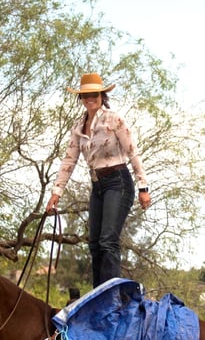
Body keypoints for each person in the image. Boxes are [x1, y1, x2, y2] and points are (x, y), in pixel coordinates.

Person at [46, 72, 151, 288]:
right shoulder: (78, 127)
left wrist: (143, 186)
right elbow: (69, 160)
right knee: (94, 243)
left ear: (102, 95)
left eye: (94, 94)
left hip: (118, 182)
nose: (90, 99)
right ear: (81, 99)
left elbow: (132, 151)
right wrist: (56, 192)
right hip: (98, 186)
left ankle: (111, 296)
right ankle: (98, 294)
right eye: (85, 96)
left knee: (108, 241)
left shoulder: (114, 120)